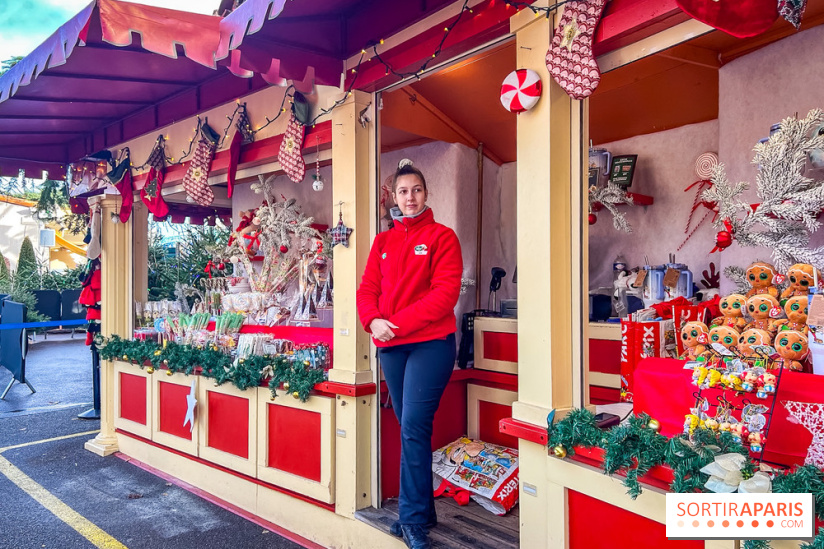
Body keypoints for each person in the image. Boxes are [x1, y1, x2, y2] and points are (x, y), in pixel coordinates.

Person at [357, 160, 463, 549]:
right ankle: (424, 509)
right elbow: (367, 289)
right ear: (395, 198)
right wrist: (372, 321)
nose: (410, 197)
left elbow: (444, 296)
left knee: (414, 426)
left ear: (426, 193)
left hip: (431, 344)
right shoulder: (383, 242)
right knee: (409, 428)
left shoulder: (442, 237)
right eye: (403, 191)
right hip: (392, 347)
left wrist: (393, 324)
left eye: (416, 190)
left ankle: (413, 520)